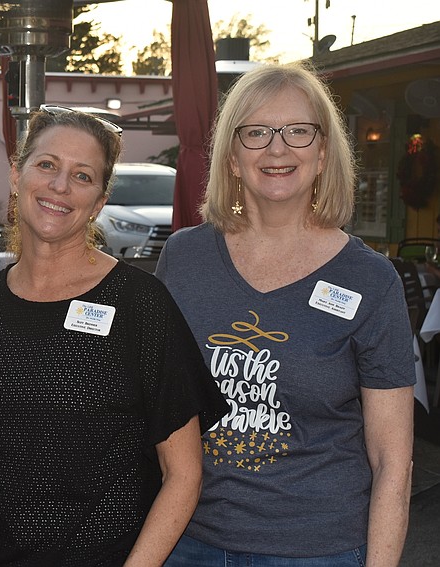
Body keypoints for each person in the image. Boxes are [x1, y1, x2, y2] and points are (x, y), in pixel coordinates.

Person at [0, 105, 228, 567]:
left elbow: (184, 475)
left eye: (83, 176)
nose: (59, 186)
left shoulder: (141, 307)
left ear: (100, 199)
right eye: (47, 165)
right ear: (17, 175)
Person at [156, 61, 415, 565]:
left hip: (317, 548)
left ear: (322, 153)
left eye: (298, 131)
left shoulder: (369, 280)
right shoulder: (183, 258)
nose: (278, 148)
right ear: (232, 157)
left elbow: (392, 463)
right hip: (188, 538)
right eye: (256, 133)